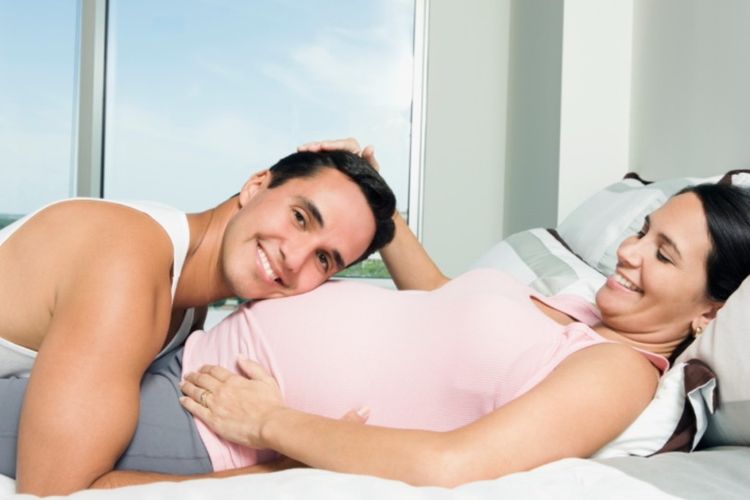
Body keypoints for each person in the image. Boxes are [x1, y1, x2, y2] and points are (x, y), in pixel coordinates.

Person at [3, 181, 749, 490]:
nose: (629, 253)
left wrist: (267, 424)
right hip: (182, 361)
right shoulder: (577, 307)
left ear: (709, 313)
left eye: (663, 255)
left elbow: (454, 464)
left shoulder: (618, 373)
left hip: (206, 422)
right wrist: (381, 215)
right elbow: (441, 306)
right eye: (642, 230)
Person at [0, 149, 396, 495]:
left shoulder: (188, 307)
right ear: (255, 186)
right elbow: (55, 491)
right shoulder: (128, 260)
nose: (294, 259)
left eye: (323, 259)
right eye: (300, 218)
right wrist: (282, 472)